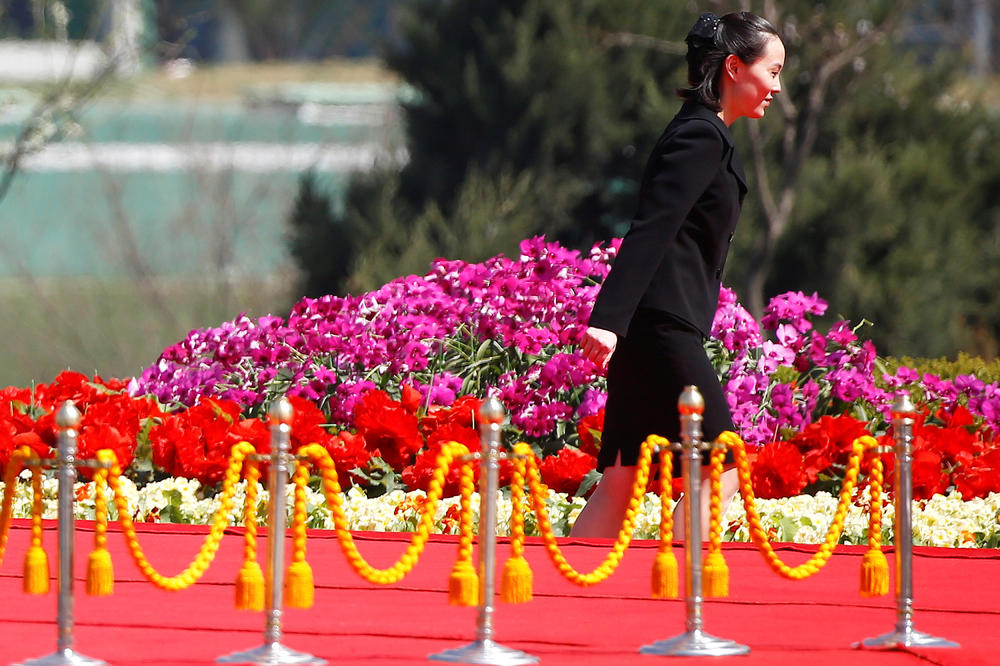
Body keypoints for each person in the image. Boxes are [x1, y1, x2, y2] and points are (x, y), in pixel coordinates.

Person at [572, 11, 785, 538]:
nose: (777, 87)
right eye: (773, 71)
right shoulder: (701, 137)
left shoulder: (704, 132)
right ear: (735, 67)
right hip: (661, 326)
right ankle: (672, 594)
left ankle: (569, 603)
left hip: (658, 322)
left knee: (623, 474)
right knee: (725, 465)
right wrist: (608, 320)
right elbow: (651, 228)